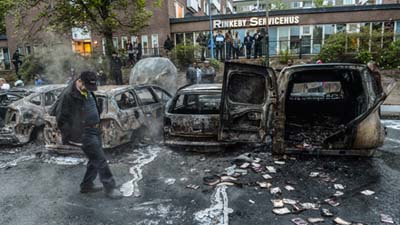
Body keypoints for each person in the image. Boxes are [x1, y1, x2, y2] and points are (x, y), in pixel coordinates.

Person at [53, 71, 122, 199]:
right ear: (79, 81)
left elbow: (92, 105)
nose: (90, 90)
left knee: (94, 159)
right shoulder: (68, 95)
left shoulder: (87, 90)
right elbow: (61, 119)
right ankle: (110, 188)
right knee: (100, 160)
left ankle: (86, 185)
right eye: (87, 87)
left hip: (94, 129)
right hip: (84, 133)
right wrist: (72, 137)